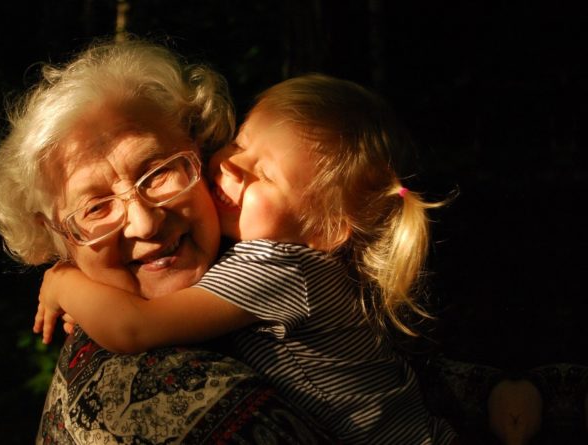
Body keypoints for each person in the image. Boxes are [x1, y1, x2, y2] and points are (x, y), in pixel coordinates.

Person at [37, 74, 459, 444]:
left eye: (266, 176)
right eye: (239, 143)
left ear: (325, 230)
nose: (234, 167)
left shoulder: (279, 267)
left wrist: (63, 282)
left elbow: (133, 327)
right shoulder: (285, 258)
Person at [0, 37, 338, 444]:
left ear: (201, 155)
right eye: (96, 208)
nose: (146, 223)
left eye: (158, 173)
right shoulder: (156, 396)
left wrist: (66, 283)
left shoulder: (279, 255)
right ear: (60, 240)